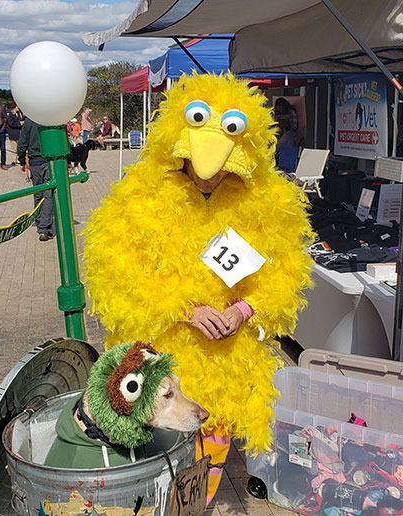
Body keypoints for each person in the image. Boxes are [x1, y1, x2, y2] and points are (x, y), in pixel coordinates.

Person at [83, 74, 313, 504]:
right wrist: (184, 310)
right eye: (201, 165)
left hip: (228, 356)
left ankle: (196, 504)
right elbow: (112, 276)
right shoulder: (138, 198)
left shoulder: (261, 200)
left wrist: (242, 310)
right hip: (162, 349)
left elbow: (285, 273)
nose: (211, 177)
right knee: (155, 451)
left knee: (212, 443)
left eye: (224, 167)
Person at [17, 116, 54, 241]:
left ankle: (40, 224)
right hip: (49, 160)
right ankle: (45, 227)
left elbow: (22, 143)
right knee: (49, 194)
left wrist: (22, 160)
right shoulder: (50, 118)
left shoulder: (29, 121)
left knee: (38, 194)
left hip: (35, 162)